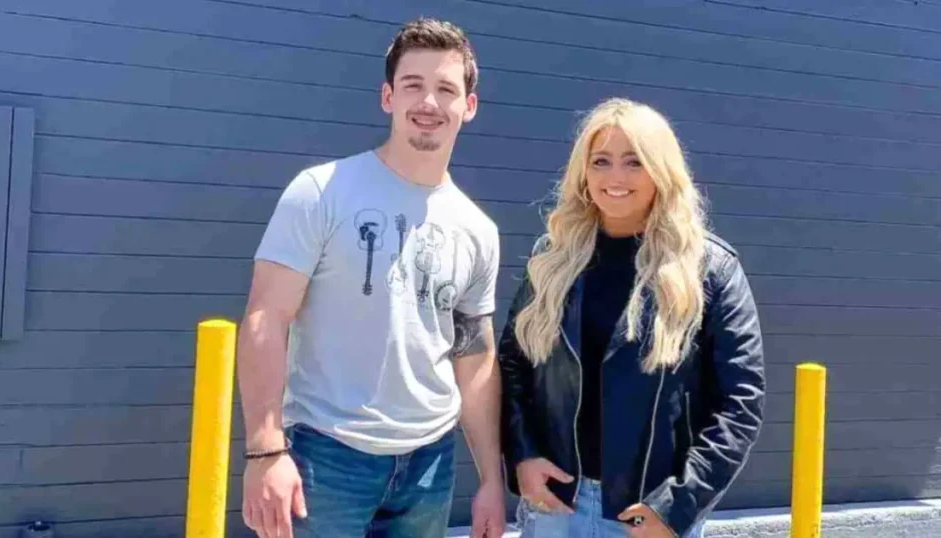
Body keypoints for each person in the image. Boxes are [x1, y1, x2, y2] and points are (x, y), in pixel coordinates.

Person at [236, 17, 507, 538]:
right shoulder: (322, 191)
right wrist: (266, 449)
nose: (429, 102)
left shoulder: (478, 230)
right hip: (327, 457)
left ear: (468, 107)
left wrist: (491, 479)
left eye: (446, 89)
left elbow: (474, 357)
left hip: (430, 465)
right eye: (413, 85)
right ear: (388, 97)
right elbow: (267, 315)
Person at [497, 98, 766, 538]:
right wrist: (523, 458)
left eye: (634, 162)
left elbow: (740, 403)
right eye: (600, 161)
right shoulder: (554, 261)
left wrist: (679, 504)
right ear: (583, 172)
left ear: (662, 170)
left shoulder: (709, 268)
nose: (615, 178)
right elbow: (513, 366)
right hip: (554, 507)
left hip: (647, 515)